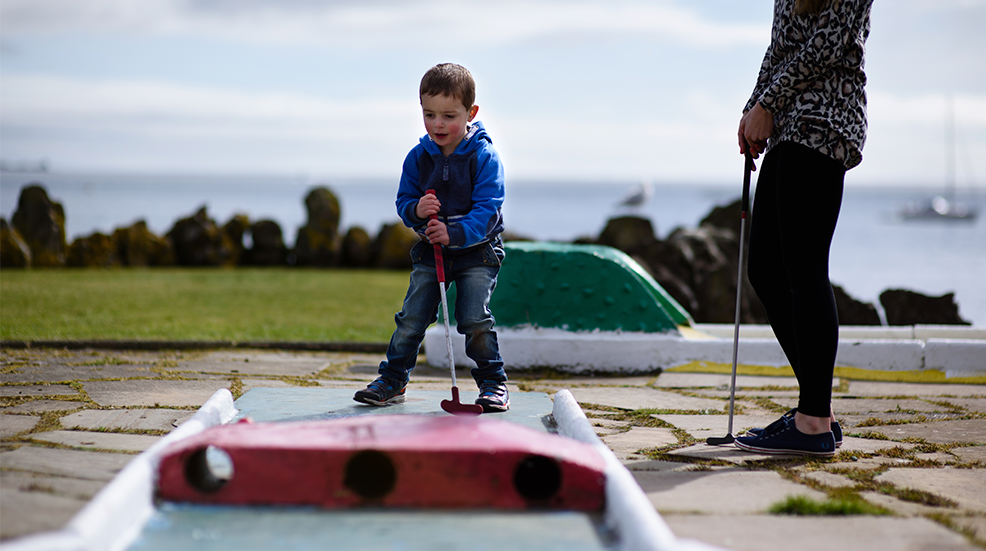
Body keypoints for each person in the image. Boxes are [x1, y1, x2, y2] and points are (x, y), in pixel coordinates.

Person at [734, 0, 872, 456]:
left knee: (804, 268)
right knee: (766, 270)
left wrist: (768, 102)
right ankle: (818, 411)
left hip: (823, 123)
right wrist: (754, 108)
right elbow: (779, 48)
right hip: (787, 126)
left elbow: (828, 44)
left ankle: (812, 418)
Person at [354, 63, 509, 412]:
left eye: (449, 116)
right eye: (429, 114)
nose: (438, 124)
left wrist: (453, 233)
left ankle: (494, 384)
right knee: (411, 318)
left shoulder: (484, 157)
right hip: (431, 251)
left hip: (477, 252)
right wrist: (418, 210)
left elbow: (488, 210)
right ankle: (392, 380)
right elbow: (404, 202)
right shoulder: (418, 157)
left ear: (472, 113)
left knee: (474, 319)